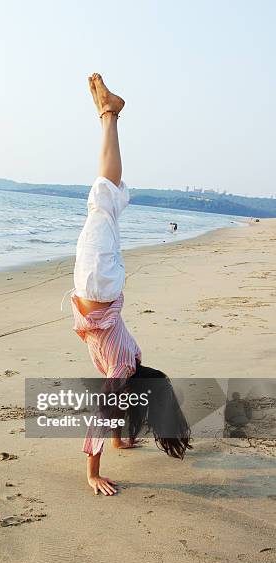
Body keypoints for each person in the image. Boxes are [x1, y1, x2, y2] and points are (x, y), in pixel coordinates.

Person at [71, 74, 191, 496]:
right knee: (103, 201)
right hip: (98, 288)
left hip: (105, 288)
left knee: (108, 202)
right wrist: (97, 466)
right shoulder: (125, 366)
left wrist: (115, 448)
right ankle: (109, 115)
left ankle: (108, 116)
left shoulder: (132, 360)